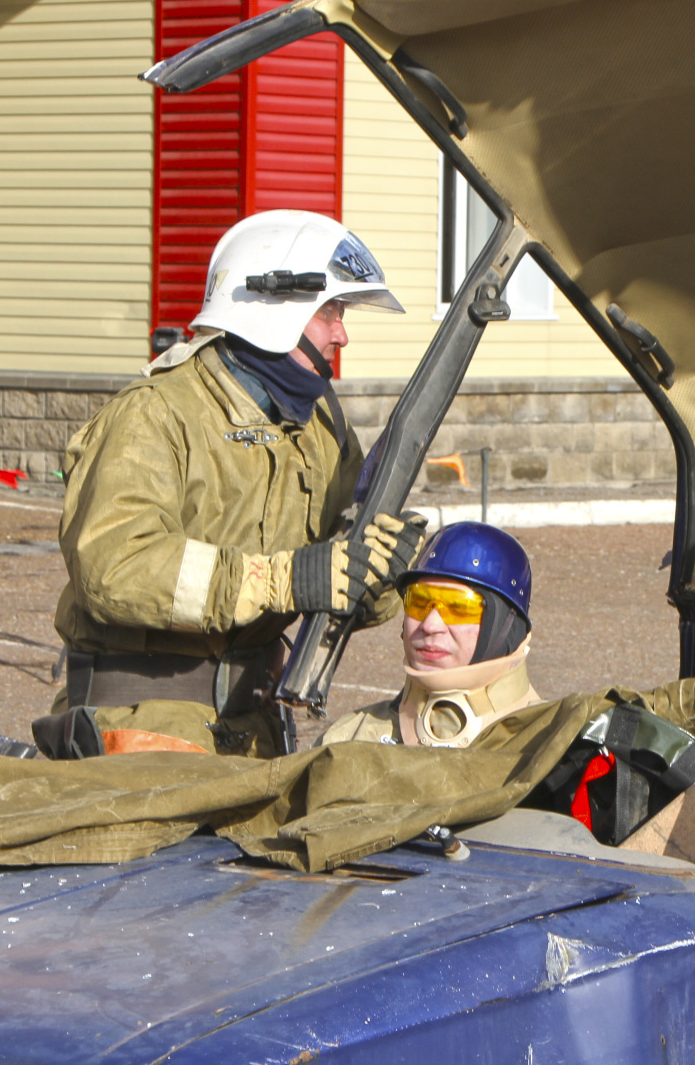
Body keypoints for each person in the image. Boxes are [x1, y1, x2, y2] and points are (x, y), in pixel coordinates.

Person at [39, 210, 427, 760]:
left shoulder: (321, 428)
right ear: (274, 310)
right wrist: (280, 581)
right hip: (137, 738)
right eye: (330, 312)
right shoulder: (155, 415)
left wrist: (381, 574)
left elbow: (331, 581)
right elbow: (114, 568)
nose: (343, 333)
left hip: (255, 735)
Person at [324, 521, 543, 747]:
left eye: (458, 607)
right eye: (419, 602)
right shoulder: (348, 740)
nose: (430, 625)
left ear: (506, 627)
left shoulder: (554, 751)